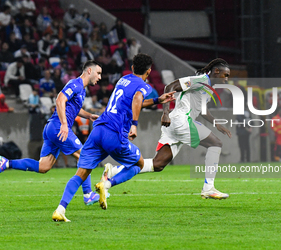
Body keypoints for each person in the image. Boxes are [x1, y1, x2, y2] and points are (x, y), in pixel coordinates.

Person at [51, 53, 176, 222]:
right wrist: (134, 124)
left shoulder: (122, 80)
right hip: (115, 134)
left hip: (98, 130)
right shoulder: (144, 86)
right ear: (149, 71)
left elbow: (133, 101)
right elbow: (138, 99)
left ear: (132, 68)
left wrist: (156, 100)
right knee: (138, 164)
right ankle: (107, 184)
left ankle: (60, 209)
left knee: (81, 173)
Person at [102, 58, 232, 200]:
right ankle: (209, 188)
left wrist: (216, 124)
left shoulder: (208, 88)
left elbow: (202, 110)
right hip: (181, 121)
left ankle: (111, 174)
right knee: (216, 143)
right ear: (216, 71)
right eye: (225, 75)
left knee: (157, 164)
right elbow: (171, 86)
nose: (226, 79)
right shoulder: (200, 80)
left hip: (176, 124)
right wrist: (165, 112)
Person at [0, 60, 103, 206]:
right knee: (86, 155)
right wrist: (64, 125)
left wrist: (88, 115)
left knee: (44, 166)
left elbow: (73, 107)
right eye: (98, 73)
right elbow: (60, 99)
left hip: (51, 129)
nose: (99, 77)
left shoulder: (81, 89)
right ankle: (88, 194)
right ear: (89, 71)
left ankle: (7, 163)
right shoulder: (76, 84)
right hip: (57, 127)